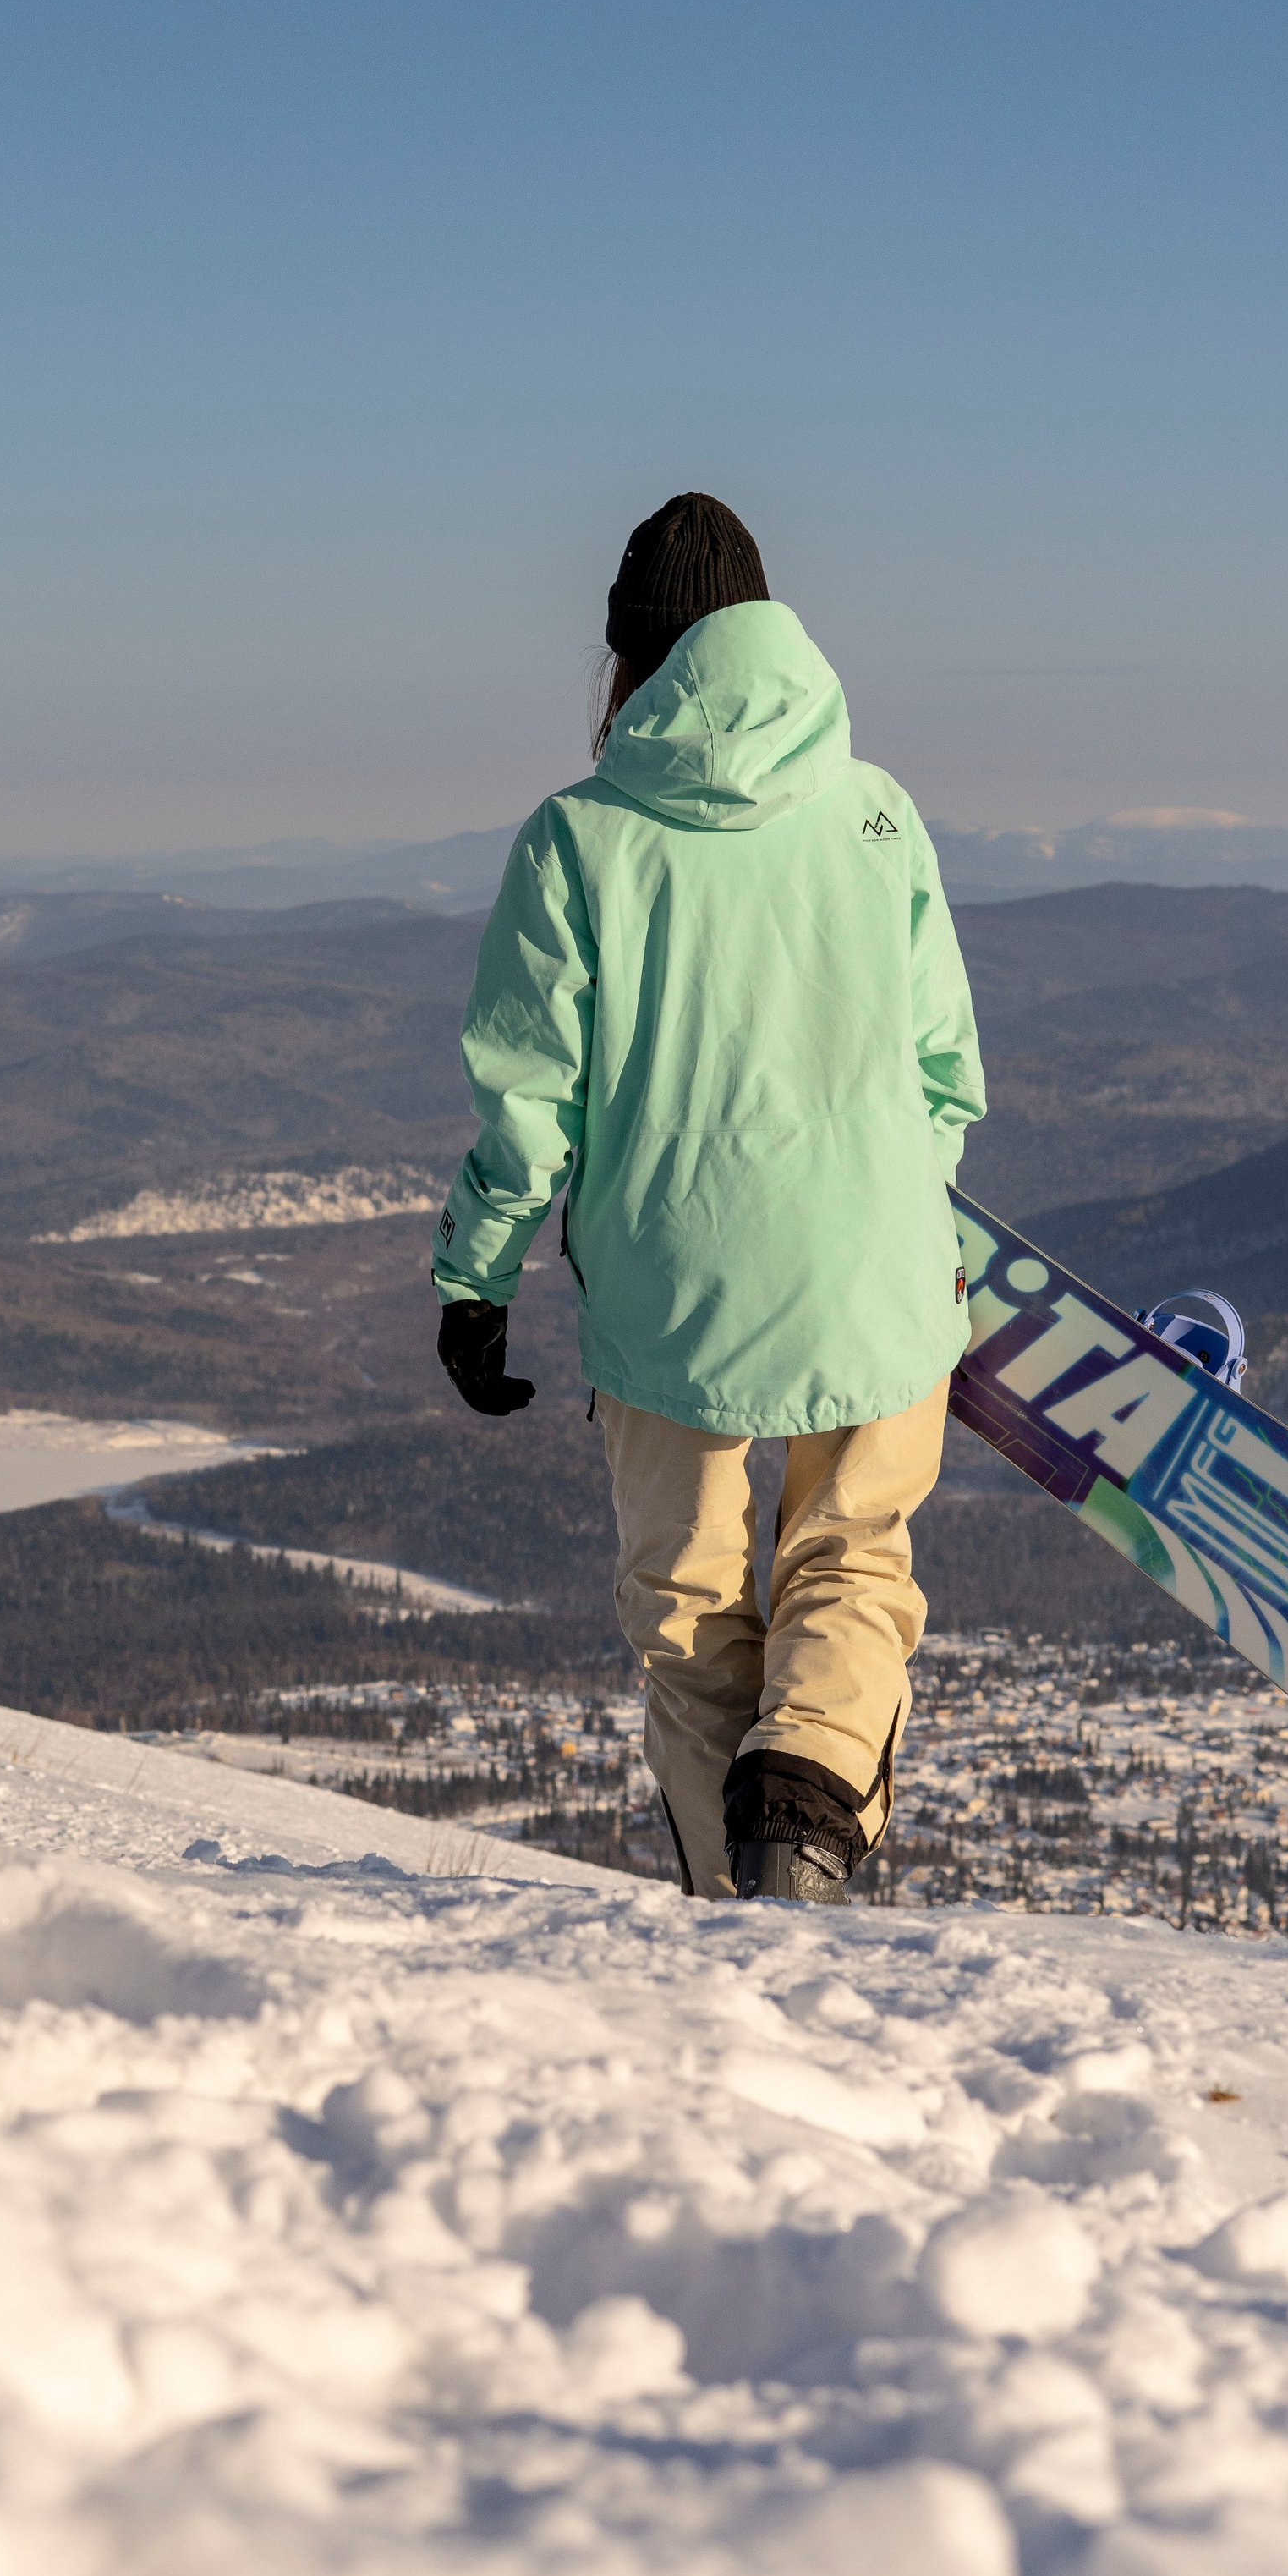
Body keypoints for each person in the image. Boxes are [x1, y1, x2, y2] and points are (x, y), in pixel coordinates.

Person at [431, 493, 985, 1903]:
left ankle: (744, 1906)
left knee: (685, 1608)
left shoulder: (576, 840)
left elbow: (529, 1108)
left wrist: (474, 1284)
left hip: (669, 1297)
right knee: (852, 1556)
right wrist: (912, 1225)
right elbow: (944, 1077)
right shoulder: (878, 813)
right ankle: (805, 1793)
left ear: (632, 663)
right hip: (873, 1275)